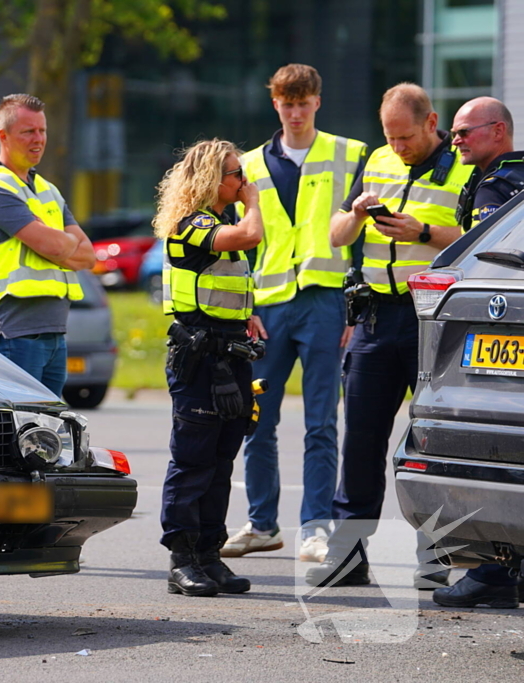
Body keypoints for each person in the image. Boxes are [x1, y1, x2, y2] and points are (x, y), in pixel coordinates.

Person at [306, 83, 473, 588]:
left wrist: (423, 233)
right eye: (390, 137)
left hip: (435, 322)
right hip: (376, 318)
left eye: (406, 137)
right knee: (360, 439)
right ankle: (347, 553)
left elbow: (479, 239)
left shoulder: (464, 167)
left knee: (433, 441)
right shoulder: (377, 160)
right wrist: (358, 214)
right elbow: (336, 234)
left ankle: (436, 557)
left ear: (431, 123)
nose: (397, 147)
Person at [222, 64, 367, 564]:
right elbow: (238, 246)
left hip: (325, 302)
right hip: (266, 306)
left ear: (318, 102)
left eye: (304, 103)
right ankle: (262, 524)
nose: (296, 113)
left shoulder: (350, 154)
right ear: (275, 104)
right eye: (288, 104)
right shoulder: (248, 165)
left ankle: (316, 529)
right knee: (257, 420)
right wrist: (244, 307)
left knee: (321, 422)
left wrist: (353, 304)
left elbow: (361, 234)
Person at [155, 139, 264, 597]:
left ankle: (209, 555)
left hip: (230, 355)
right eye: (236, 174)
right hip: (199, 359)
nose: (243, 181)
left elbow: (222, 285)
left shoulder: (222, 222)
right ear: (211, 180)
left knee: (221, 462)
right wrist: (255, 202)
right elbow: (251, 236)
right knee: (193, 461)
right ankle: (182, 561)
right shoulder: (192, 223)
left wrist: (249, 315)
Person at [432, 96, 524, 609]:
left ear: (498, 131)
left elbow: (492, 266)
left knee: (492, 452)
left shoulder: (501, 185)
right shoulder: (501, 179)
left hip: (500, 328)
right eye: (454, 132)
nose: (456, 140)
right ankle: (497, 570)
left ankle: (494, 570)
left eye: (465, 131)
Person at [0, 94, 95, 396]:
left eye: (42, 130)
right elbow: (58, 248)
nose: (38, 139)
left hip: (53, 334)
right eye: (28, 131)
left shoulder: (47, 189)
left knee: (47, 424)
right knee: (20, 423)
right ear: (3, 136)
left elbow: (88, 256)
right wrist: (59, 243)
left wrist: (53, 241)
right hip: (12, 334)